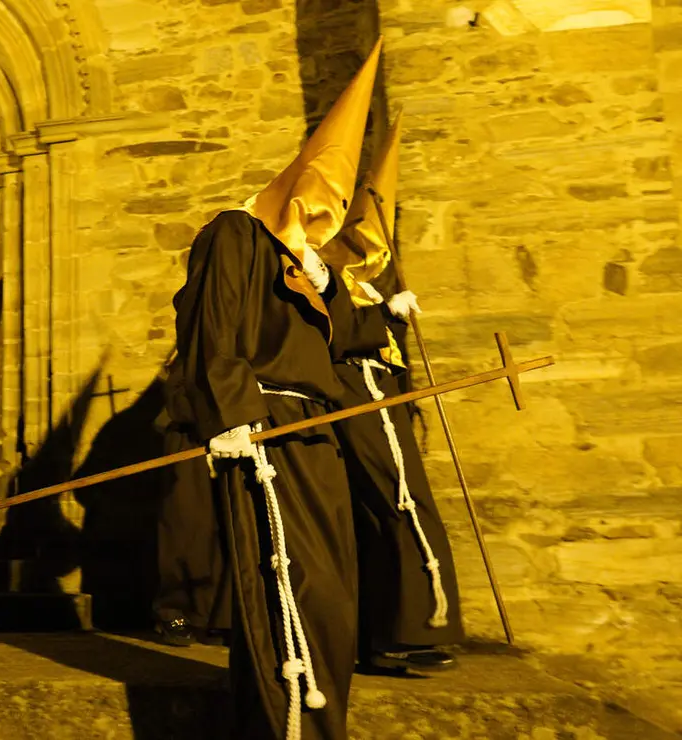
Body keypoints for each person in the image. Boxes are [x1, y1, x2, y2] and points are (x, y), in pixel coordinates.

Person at [168, 40, 388, 740]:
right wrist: (232, 416)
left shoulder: (311, 272)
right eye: (321, 198)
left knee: (333, 595)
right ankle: (290, 729)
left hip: (319, 435)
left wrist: (337, 292)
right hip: (266, 432)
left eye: (338, 206)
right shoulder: (237, 234)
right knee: (292, 585)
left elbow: (352, 343)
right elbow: (214, 326)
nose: (327, 216)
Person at [320, 113, 465, 673]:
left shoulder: (357, 284)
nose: (367, 248)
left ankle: (407, 628)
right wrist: (384, 316)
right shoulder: (325, 280)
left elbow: (378, 345)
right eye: (358, 237)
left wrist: (390, 320)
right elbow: (329, 337)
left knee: (402, 505)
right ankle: (401, 631)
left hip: (379, 397)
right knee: (396, 504)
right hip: (357, 398)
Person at [153, 355, 231, 646]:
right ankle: (174, 611)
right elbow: (178, 402)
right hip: (190, 448)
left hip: (232, 448)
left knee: (226, 532)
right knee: (186, 530)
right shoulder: (187, 357)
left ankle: (215, 617)